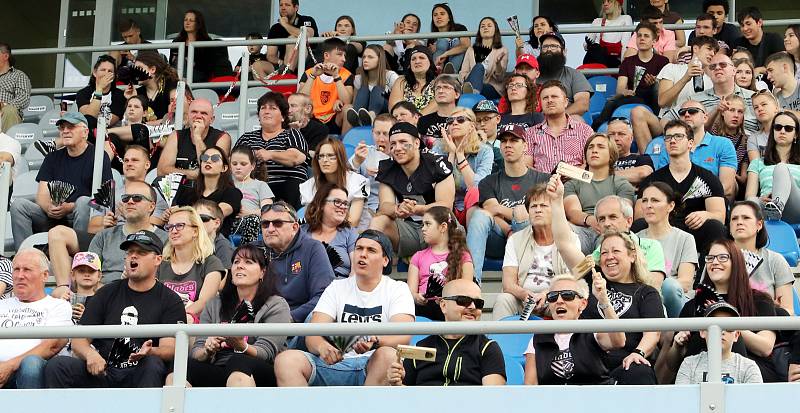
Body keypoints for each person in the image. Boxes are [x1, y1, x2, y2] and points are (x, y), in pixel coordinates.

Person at [550, 175, 663, 385]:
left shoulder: (646, 292)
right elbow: (564, 244)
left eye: (616, 251)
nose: (609, 257)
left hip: (625, 362)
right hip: (588, 363)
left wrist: (639, 352)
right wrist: (557, 201)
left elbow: (653, 332)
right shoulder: (592, 277)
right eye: (604, 253)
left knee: (639, 370)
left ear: (631, 255)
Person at [273, 230, 415, 387]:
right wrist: (323, 347)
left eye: (371, 250)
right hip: (336, 362)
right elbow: (312, 334)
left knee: (388, 355)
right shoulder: (336, 287)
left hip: (374, 363)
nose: (362, 254)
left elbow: (403, 336)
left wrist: (376, 342)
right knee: (286, 360)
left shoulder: (398, 289)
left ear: (385, 260)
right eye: (359, 248)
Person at [45, 231, 185, 388]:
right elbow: (79, 340)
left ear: (158, 259)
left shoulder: (170, 299)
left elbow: (171, 348)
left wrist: (151, 352)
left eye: (141, 252)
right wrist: (91, 354)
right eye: (130, 252)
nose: (133, 256)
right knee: (58, 366)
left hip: (141, 370)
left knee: (152, 364)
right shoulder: (107, 292)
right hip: (103, 370)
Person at [659, 238, 786, 383]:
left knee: (725, 338)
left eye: (723, 257)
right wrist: (678, 345)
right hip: (700, 380)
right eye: (710, 258)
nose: (715, 262)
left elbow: (765, 347)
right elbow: (672, 364)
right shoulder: (693, 305)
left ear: (736, 262)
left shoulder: (760, 301)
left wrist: (730, 327)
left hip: (748, 377)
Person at [186, 244, 291, 387]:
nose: (240, 266)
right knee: (180, 367)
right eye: (236, 262)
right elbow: (197, 351)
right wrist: (207, 350)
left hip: (257, 370)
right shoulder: (215, 304)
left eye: (248, 262)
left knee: (238, 361)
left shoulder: (276, 305)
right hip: (219, 367)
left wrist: (242, 346)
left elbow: (267, 352)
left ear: (262, 272)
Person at [11, 112, 112, 249]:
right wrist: (49, 208)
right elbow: (42, 195)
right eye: (62, 128)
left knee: (83, 202)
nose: (65, 131)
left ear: (85, 132)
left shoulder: (99, 157)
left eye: (70, 127)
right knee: (19, 205)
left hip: (83, 216)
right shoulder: (52, 157)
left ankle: (79, 255)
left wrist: (70, 207)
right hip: (53, 216)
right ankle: (25, 255)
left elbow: (105, 200)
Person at [47, 180, 167, 296]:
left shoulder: (165, 239)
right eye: (125, 198)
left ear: (152, 206)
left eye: (137, 198)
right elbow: (90, 276)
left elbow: (166, 280)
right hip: (105, 298)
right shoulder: (103, 236)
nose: (130, 201)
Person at [638, 119, 728, 259]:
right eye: (668, 137)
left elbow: (720, 215)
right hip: (660, 230)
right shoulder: (651, 180)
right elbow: (640, 215)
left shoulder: (708, 178)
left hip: (694, 229)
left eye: (678, 136)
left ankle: (704, 276)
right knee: (639, 225)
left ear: (691, 143)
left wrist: (706, 215)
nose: (672, 141)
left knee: (715, 227)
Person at [388, 279, 506, 386]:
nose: (472, 306)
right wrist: (397, 384)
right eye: (463, 300)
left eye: (478, 303)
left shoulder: (487, 348)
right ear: (443, 305)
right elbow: (407, 399)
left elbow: (493, 400)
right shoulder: (421, 346)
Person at [493, 185, 581, 321]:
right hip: (523, 300)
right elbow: (508, 284)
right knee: (504, 299)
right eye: (533, 206)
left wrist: (547, 294)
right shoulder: (515, 240)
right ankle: (500, 342)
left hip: (556, 298)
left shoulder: (570, 239)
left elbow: (573, 278)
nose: (538, 210)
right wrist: (524, 294)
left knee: (570, 302)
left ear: (555, 210)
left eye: (544, 206)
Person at [523, 274, 627, 385]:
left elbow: (619, 341)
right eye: (553, 296)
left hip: (596, 399)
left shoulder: (592, 331)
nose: (559, 301)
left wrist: (603, 300)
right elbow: (530, 386)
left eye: (567, 295)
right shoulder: (537, 339)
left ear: (582, 304)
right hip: (555, 401)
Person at [370, 122, 455, 258]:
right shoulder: (388, 169)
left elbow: (446, 206)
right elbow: (384, 206)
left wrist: (417, 209)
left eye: (403, 142)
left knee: (448, 223)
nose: (397, 148)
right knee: (378, 221)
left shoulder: (437, 164)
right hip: (408, 231)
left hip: (438, 228)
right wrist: (397, 208)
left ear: (416, 143)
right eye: (393, 144)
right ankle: (369, 272)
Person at [0, 249, 71, 389]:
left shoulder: (58, 306)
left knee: (31, 363)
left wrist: (9, 365)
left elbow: (52, 346)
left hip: (30, 372)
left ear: (45, 275)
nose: (20, 275)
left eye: (27, 270)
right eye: (16, 269)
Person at [253, 201, 334, 322]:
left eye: (277, 223)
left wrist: (288, 318)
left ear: (294, 227)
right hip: (259, 321)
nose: (270, 229)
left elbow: (324, 295)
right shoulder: (253, 251)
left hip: (298, 323)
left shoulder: (313, 248)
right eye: (265, 224)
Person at [631, 35, 717, 146]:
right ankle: (649, 158)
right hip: (666, 122)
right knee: (637, 112)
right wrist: (686, 78)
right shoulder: (671, 68)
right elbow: (662, 102)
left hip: (695, 125)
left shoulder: (712, 80)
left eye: (714, 52)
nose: (712, 54)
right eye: (709, 49)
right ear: (695, 49)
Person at [564, 133, 636, 254]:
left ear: (611, 155)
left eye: (600, 147)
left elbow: (623, 214)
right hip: (582, 230)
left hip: (611, 230)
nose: (594, 151)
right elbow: (572, 212)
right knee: (561, 230)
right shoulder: (572, 184)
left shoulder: (622, 184)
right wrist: (589, 219)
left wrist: (603, 223)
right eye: (590, 147)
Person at [235, 92, 308, 209]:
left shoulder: (292, 134)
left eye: (273, 108)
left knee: (293, 185)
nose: (266, 111)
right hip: (253, 188)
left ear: (283, 116)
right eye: (263, 108)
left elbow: (296, 157)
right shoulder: (247, 138)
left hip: (286, 187)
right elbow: (233, 161)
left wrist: (271, 154)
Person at [636, 182, 698, 317]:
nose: (648, 205)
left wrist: (655, 286)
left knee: (669, 286)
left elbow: (686, 282)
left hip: (673, 302)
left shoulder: (685, 238)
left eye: (655, 200)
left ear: (671, 206)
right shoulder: (634, 240)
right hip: (641, 300)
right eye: (644, 200)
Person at [653, 100, 738, 198]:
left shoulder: (723, 144)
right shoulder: (671, 146)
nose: (687, 114)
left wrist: (692, 199)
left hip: (711, 205)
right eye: (682, 112)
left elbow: (726, 188)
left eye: (693, 111)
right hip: (676, 206)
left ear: (705, 118)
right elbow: (662, 186)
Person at [159, 206, 225, 324]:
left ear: (195, 231)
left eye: (180, 225)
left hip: (195, 327)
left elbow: (204, 302)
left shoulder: (211, 263)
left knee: (188, 320)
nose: (174, 231)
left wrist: (175, 318)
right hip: (162, 324)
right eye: (170, 227)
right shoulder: (160, 264)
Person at [595, 22, 669, 126]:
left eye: (646, 36)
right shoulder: (628, 61)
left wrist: (655, 81)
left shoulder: (663, 61)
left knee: (657, 87)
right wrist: (625, 91)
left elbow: (666, 88)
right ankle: (599, 127)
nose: (642, 38)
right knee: (611, 100)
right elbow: (620, 88)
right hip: (633, 96)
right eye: (639, 36)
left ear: (654, 41)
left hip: (653, 98)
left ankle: (658, 122)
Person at [728, 201, 795, 313]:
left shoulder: (775, 260)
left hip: (766, 324)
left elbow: (788, 310)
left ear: (759, 225)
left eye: (746, 218)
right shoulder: (717, 258)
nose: (739, 222)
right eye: (734, 218)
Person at [408, 206, 473, 320]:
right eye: (423, 225)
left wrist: (447, 299)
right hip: (423, 308)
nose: (423, 229)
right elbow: (410, 293)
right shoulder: (417, 257)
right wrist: (418, 297)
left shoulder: (463, 256)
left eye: (428, 224)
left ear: (443, 227)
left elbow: (467, 290)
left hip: (451, 308)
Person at [675, 301, 763, 384]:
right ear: (702, 331)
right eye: (714, 325)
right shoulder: (689, 364)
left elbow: (755, 399)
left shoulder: (748, 367)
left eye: (728, 326)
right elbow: (681, 399)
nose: (722, 331)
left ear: (736, 335)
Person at [431, 107, 493, 222]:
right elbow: (434, 185)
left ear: (472, 126)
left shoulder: (485, 151)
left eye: (460, 119)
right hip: (447, 205)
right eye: (450, 121)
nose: (454, 123)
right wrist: (451, 154)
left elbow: (477, 186)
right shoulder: (438, 147)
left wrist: (459, 155)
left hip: (474, 207)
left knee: (474, 193)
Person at [525, 80, 594, 174]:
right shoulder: (530, 133)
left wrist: (568, 174)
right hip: (541, 186)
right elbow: (527, 167)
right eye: (545, 98)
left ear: (565, 102)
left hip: (576, 185)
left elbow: (590, 165)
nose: (549, 100)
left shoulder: (585, 131)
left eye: (554, 96)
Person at [301, 137, 369, 230]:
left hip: (353, 235)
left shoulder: (357, 181)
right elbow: (310, 219)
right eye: (321, 156)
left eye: (330, 156)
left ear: (340, 158)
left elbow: (353, 222)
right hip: (319, 234)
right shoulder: (309, 186)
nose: (325, 160)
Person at [174, 146, 243, 237]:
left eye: (214, 158)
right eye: (204, 158)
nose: (208, 161)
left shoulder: (232, 193)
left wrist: (181, 213)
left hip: (215, 242)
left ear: (224, 168)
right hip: (189, 239)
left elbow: (214, 214)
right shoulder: (189, 192)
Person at [157, 98, 232, 180]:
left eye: (204, 113)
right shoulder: (176, 135)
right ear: (188, 116)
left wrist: (197, 137)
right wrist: (192, 174)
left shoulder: (222, 138)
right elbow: (162, 171)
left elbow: (213, 170)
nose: (198, 116)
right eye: (194, 112)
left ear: (211, 120)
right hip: (180, 190)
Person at [746, 111, 800, 224]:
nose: (782, 131)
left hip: (795, 208)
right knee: (751, 201)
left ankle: (778, 204)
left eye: (788, 128)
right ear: (773, 131)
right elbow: (749, 195)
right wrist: (762, 199)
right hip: (766, 207)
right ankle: (774, 208)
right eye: (778, 127)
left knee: (781, 168)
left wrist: (778, 196)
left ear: (796, 134)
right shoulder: (757, 163)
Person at [302, 183, 358, 279]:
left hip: (339, 288)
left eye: (345, 203)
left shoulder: (350, 233)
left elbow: (356, 269)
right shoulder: (301, 232)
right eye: (337, 202)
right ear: (321, 204)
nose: (343, 207)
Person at [299, 37, 354, 135]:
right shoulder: (309, 73)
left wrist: (336, 76)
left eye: (344, 55)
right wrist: (312, 76)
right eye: (339, 54)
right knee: (298, 109)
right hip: (312, 119)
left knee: (348, 108)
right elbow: (300, 100)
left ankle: (345, 146)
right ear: (326, 55)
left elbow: (347, 101)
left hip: (334, 119)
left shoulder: (346, 75)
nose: (344, 59)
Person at [536, 33, 592, 116]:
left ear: (564, 51)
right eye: (545, 47)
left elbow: (582, 104)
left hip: (567, 119)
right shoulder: (534, 75)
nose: (549, 49)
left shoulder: (574, 74)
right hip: (536, 121)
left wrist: (556, 117)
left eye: (554, 46)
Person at [169, 9, 231, 82]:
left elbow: (208, 66)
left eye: (191, 20)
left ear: (198, 24)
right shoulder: (177, 41)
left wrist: (191, 62)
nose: (187, 23)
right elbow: (171, 63)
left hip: (199, 76)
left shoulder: (206, 42)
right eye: (185, 20)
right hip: (178, 75)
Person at [346, 45, 399, 128]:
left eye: (370, 57)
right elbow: (355, 101)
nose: (365, 60)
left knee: (377, 89)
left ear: (380, 60)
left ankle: (371, 116)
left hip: (385, 112)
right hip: (363, 113)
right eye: (364, 57)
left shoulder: (391, 76)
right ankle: (358, 120)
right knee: (364, 89)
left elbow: (397, 103)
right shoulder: (359, 79)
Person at [351, 114, 395, 212]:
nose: (381, 139)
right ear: (372, 132)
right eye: (377, 133)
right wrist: (356, 162)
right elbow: (344, 177)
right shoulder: (364, 153)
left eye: (385, 134)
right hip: (367, 207)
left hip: (394, 208)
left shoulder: (401, 155)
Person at [231, 146, 273, 245]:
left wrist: (248, 213)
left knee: (253, 220)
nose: (238, 167)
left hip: (252, 222)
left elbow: (267, 210)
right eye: (234, 164)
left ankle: (247, 252)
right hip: (230, 222)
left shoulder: (260, 185)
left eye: (243, 164)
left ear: (252, 165)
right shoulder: (226, 185)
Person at [459, 16, 508, 99]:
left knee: (479, 67)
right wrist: (474, 77)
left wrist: (498, 64)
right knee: (479, 67)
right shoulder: (471, 50)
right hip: (470, 84)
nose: (485, 28)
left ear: (495, 30)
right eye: (482, 26)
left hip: (491, 88)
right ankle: (473, 94)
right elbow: (463, 73)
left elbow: (500, 78)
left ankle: (472, 95)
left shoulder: (502, 50)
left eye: (489, 26)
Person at [76, 55, 126, 133]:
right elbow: (88, 118)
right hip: (87, 134)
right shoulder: (83, 93)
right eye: (103, 70)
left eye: (110, 71)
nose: (106, 73)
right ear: (95, 73)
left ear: (114, 76)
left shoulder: (120, 95)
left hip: (110, 134)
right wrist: (99, 89)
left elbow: (109, 122)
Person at [709, 94, 750, 189]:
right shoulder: (712, 133)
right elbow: (702, 127)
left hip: (732, 184)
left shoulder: (745, 141)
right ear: (723, 112)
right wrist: (716, 109)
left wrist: (727, 172)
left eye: (740, 112)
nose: (736, 115)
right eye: (731, 110)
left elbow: (743, 179)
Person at [266, 0, 319, 69]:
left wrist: (285, 24)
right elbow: (271, 55)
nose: (283, 8)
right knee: (258, 66)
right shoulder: (275, 28)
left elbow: (306, 35)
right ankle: (287, 71)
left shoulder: (306, 20)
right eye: (281, 5)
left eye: (287, 5)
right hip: (283, 64)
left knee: (293, 39)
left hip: (307, 63)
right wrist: (281, 62)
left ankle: (288, 74)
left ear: (296, 8)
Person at [54, 251, 103, 323]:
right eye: (82, 271)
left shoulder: (102, 300)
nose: (87, 274)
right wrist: (61, 305)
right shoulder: (67, 299)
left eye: (91, 271)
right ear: (73, 275)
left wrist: (87, 317)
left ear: (99, 276)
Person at [388, 46, 437, 115]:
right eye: (413, 59)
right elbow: (394, 109)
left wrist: (416, 120)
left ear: (430, 62)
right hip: (404, 123)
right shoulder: (401, 81)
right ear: (410, 64)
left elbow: (438, 104)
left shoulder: (437, 82)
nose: (417, 61)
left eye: (422, 58)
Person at [585, 0, 633, 67]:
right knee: (595, 48)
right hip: (599, 61)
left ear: (618, 4)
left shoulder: (625, 19)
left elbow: (625, 45)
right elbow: (585, 46)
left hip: (615, 62)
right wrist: (588, 44)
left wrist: (624, 69)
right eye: (603, 2)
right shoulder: (597, 21)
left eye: (609, 1)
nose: (605, 4)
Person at [609, 118, 653, 188]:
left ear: (631, 138)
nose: (616, 138)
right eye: (611, 134)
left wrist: (602, 177)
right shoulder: (598, 159)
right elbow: (586, 177)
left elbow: (644, 173)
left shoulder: (642, 158)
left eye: (621, 134)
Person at [417, 74, 461, 142]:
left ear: (457, 94)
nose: (441, 91)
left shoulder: (463, 119)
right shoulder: (423, 121)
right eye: (438, 88)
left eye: (446, 87)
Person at [428, 3, 469, 73]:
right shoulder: (432, 37)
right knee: (442, 42)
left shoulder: (460, 28)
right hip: (438, 66)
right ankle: (438, 70)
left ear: (449, 18)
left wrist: (446, 54)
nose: (438, 17)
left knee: (456, 41)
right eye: (435, 15)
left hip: (459, 71)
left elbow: (465, 45)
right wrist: (430, 51)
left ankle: (451, 73)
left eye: (442, 14)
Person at [194, 199, 234, 267]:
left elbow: (226, 275)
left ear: (216, 223)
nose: (198, 222)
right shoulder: (187, 241)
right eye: (194, 219)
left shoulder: (222, 246)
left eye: (202, 218)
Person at [0, 42, 31, 133]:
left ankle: (7, 146)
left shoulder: (18, 75)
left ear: (6, 56)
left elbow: (23, 98)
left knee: (10, 110)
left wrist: (3, 105)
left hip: (5, 114)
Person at [748, 90, 782, 160]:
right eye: (756, 107)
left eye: (764, 104)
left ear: (776, 108)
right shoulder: (753, 138)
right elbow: (755, 167)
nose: (760, 109)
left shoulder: (790, 131)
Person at [472, 99, 503, 173]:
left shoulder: (506, 139)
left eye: (486, 119)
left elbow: (507, 165)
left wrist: (486, 144)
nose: (482, 124)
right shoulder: (470, 142)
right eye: (478, 120)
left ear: (498, 119)